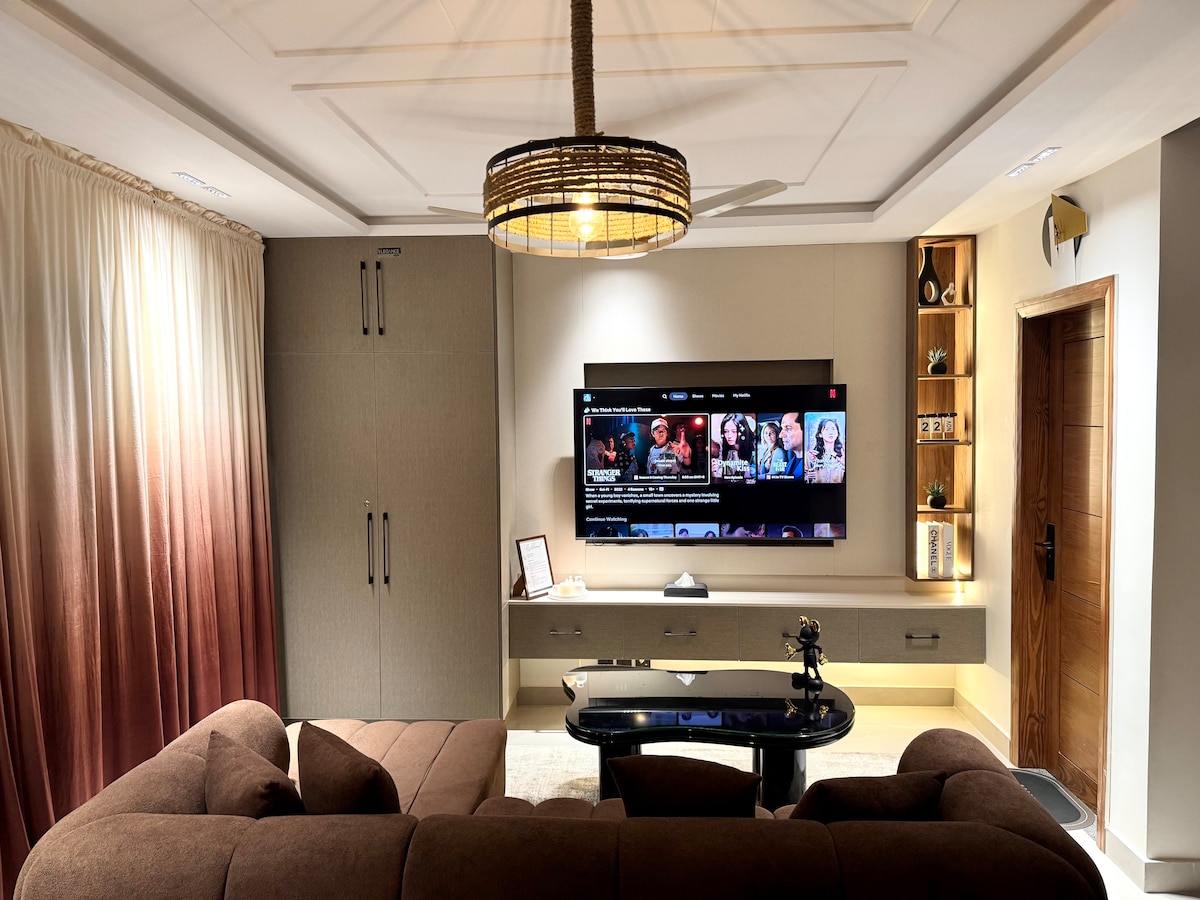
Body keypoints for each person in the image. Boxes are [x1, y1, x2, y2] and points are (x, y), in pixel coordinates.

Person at [711, 412, 756, 481]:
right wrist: (714, 471)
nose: (729, 436)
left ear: (743, 431)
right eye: (726, 431)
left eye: (734, 431)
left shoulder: (754, 445)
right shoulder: (721, 447)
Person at [805, 417, 846, 484]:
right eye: (827, 429)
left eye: (833, 429)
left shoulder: (843, 456)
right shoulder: (810, 456)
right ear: (820, 434)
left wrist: (845, 466)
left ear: (837, 434)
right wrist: (807, 477)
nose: (830, 432)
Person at [779, 412, 805, 478]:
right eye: (782, 428)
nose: (780, 435)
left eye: (788, 428)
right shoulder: (791, 463)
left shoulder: (814, 464)